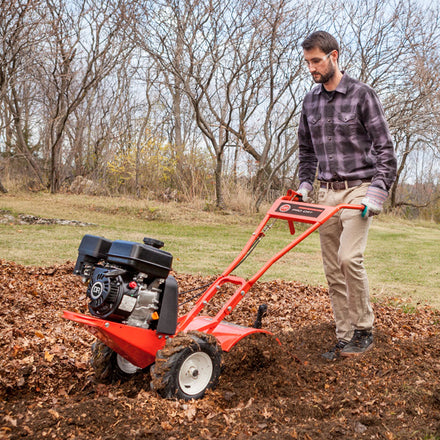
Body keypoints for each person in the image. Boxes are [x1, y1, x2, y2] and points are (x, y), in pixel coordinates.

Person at [297, 31, 397, 360]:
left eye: (316, 60)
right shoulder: (310, 101)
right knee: (331, 268)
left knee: (348, 258)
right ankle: (344, 334)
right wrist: (305, 186)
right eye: (307, 61)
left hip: (359, 189)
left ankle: (364, 329)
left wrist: (375, 196)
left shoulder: (361, 95)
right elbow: (306, 152)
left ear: (334, 56)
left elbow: (385, 151)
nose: (311, 67)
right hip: (326, 193)